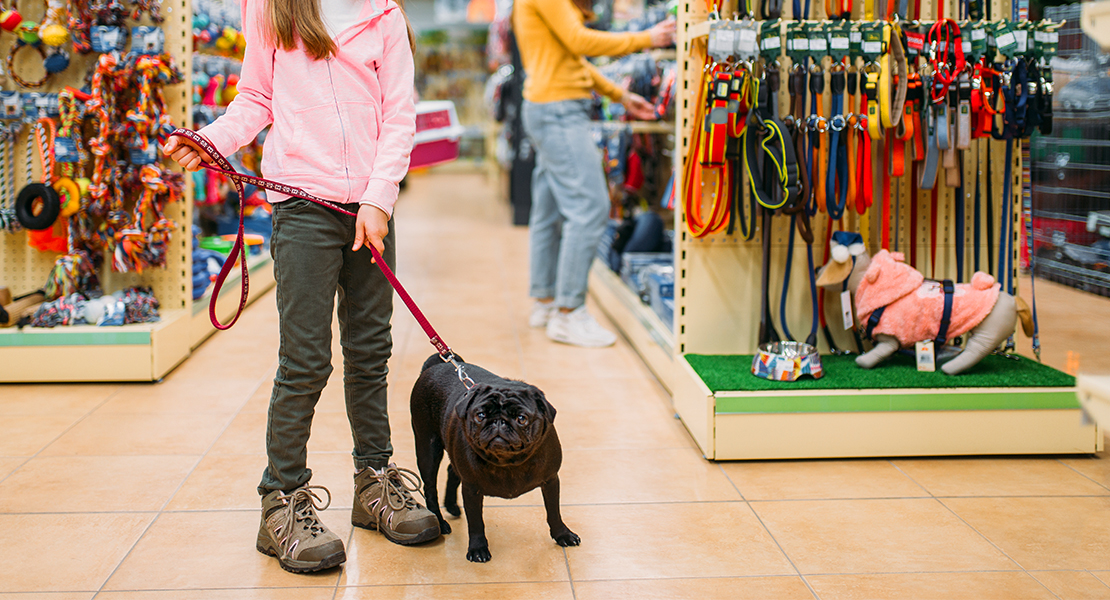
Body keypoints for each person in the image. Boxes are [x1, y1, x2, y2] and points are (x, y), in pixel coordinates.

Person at [163, 0, 440, 574]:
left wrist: (378, 199)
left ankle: (375, 481)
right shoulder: (271, 8)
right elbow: (256, 98)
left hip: (371, 207)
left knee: (370, 352)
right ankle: (281, 499)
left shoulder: (384, 14)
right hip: (301, 207)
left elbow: (399, 114)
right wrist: (212, 141)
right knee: (306, 359)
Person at [514, 0, 675, 348]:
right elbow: (579, 41)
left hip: (547, 106)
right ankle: (569, 312)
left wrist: (619, 94)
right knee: (590, 209)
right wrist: (647, 37)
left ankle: (545, 302)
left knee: (551, 210)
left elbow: (570, 59)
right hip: (558, 111)